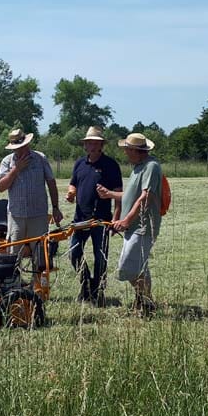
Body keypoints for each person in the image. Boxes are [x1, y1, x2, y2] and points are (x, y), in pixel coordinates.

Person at [97, 132, 162, 315]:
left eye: (127, 149)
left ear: (136, 151)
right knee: (139, 267)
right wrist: (110, 194)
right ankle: (145, 302)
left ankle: (146, 301)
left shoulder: (151, 167)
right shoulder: (137, 167)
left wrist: (126, 220)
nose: (125, 152)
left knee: (127, 266)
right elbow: (131, 195)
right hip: (133, 226)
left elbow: (146, 197)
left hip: (142, 226)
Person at [64, 126, 122, 305]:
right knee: (74, 253)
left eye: (95, 143)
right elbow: (73, 184)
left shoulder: (111, 165)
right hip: (80, 218)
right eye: (88, 142)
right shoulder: (80, 163)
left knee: (100, 257)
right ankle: (86, 285)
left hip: (101, 219)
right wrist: (71, 193)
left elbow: (118, 193)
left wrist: (116, 218)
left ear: (101, 145)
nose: (91, 145)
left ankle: (98, 292)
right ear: (85, 145)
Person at [0, 128, 62, 265]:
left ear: (28, 144)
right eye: (17, 148)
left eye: (23, 146)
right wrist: (16, 169)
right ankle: (15, 278)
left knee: (40, 254)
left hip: (38, 215)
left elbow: (51, 183)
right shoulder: (7, 162)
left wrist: (55, 207)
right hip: (16, 216)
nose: (21, 150)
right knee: (14, 255)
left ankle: (38, 279)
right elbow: (1, 187)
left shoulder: (40, 158)